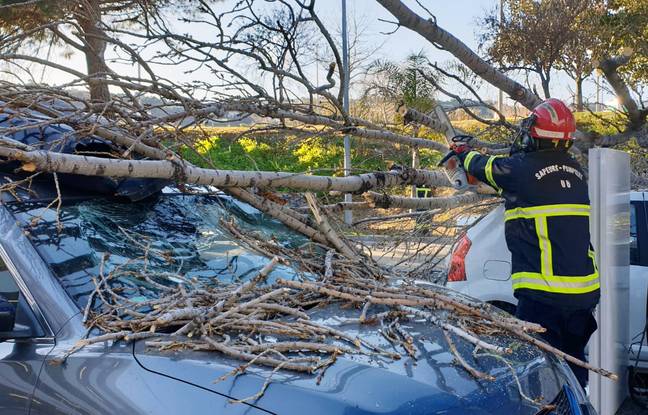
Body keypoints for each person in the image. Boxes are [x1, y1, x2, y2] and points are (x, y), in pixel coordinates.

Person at [453, 98, 599, 388]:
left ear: (536, 135)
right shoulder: (577, 172)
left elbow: (484, 166)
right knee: (572, 367)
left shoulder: (521, 170)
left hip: (543, 297)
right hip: (583, 297)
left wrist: (462, 152)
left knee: (533, 372)